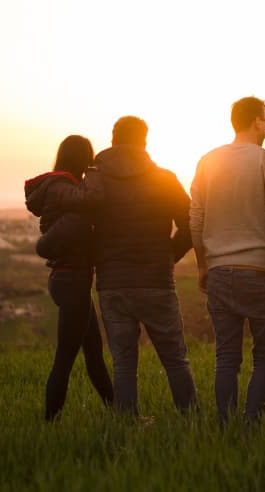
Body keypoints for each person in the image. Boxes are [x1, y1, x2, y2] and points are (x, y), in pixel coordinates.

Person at [85, 115, 198, 417]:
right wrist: (168, 255)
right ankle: (191, 421)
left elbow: (83, 227)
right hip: (156, 280)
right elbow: (191, 223)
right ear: (144, 140)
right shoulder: (164, 178)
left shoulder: (95, 179)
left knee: (123, 363)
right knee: (175, 358)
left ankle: (127, 423)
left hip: (112, 282)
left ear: (113, 139)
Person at [190, 96, 265, 424]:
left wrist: (203, 265)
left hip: (219, 272)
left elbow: (196, 219)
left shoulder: (208, 161)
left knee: (226, 358)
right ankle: (251, 425)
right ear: (255, 121)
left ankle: (226, 425)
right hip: (262, 272)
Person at [24, 134, 114, 421]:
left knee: (94, 356)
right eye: (88, 158)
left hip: (74, 280)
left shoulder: (62, 186)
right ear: (81, 158)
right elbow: (94, 199)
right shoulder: (62, 187)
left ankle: (120, 414)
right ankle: (49, 422)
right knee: (64, 360)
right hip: (71, 280)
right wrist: (97, 172)